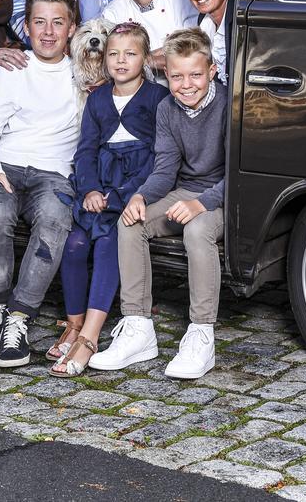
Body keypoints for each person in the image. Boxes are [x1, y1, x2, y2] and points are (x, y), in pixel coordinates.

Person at [89, 28, 226, 380]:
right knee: (129, 221)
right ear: (166, 74)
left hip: (227, 197)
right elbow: (165, 170)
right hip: (186, 191)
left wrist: (201, 204)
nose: (186, 85)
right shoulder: (167, 108)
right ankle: (138, 327)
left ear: (211, 71)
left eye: (196, 75)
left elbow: (242, 176)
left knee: (197, 231)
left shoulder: (229, 104)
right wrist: (140, 196)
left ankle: (201, 333)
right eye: (176, 76)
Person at [0, 0, 82, 368]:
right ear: (26, 26)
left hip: (54, 172)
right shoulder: (12, 69)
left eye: (57, 23)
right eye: (39, 22)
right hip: (8, 165)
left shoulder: (82, 74)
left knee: (53, 217)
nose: (48, 32)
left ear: (71, 28)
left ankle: (20, 315)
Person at [50, 22, 169, 377]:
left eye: (130, 54)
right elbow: (85, 149)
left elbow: (156, 157)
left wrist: (119, 194)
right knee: (74, 244)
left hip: (132, 188)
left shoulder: (156, 97)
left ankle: (90, 336)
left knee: (106, 244)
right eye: (113, 54)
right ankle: (73, 324)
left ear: (145, 59)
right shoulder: (98, 99)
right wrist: (88, 189)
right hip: (97, 185)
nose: (120, 61)